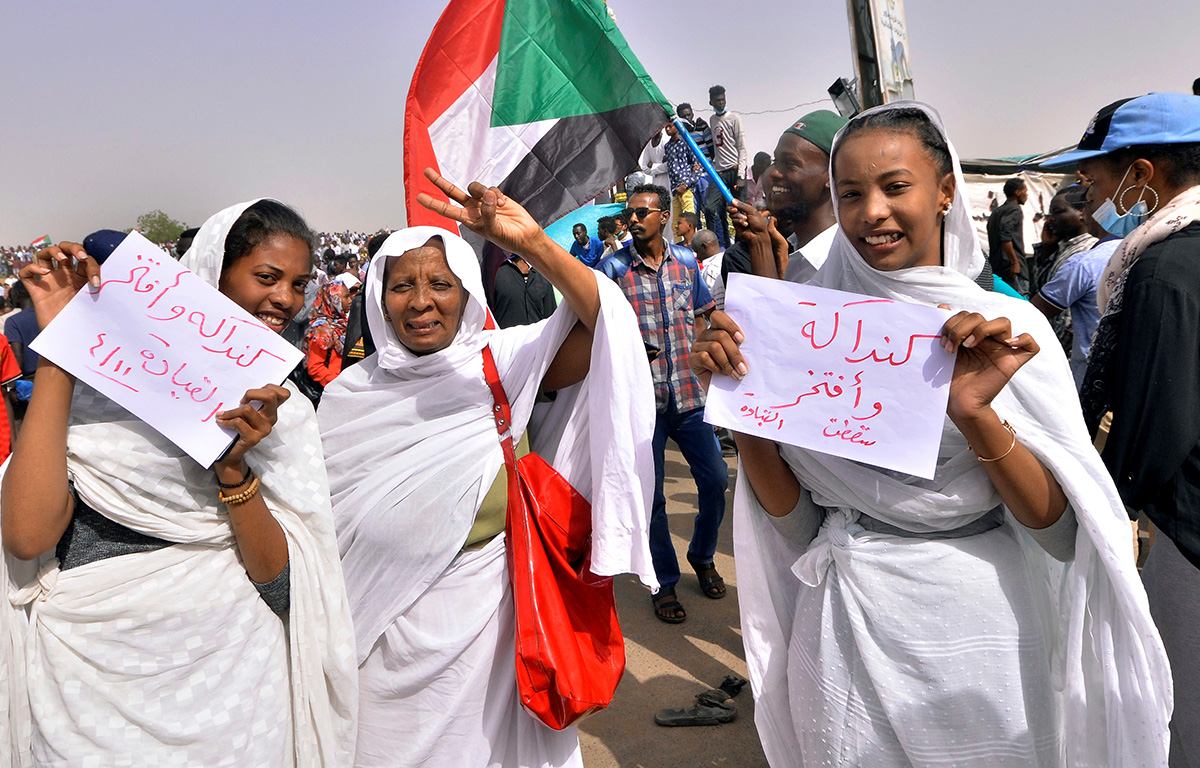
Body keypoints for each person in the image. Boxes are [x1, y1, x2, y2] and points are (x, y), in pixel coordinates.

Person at [691, 102, 1171, 767]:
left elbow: (1060, 533)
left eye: (895, 187)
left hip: (983, 642)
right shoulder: (807, 335)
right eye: (850, 194)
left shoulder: (1006, 328)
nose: (871, 213)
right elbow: (800, 528)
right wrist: (742, 403)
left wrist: (975, 414)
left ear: (945, 191)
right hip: (842, 637)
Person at [318, 168, 655, 768]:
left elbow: (605, 323)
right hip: (379, 635)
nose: (421, 302)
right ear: (377, 297)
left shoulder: (500, 361)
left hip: (492, 626)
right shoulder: (347, 396)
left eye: (440, 284)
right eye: (402, 286)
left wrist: (531, 244)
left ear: (469, 292)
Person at [0, 199, 357, 765]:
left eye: (298, 283)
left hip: (233, 694)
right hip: (85, 687)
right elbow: (25, 537)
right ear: (210, 274)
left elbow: (287, 589)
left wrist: (232, 467)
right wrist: (66, 344)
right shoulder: (90, 395)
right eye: (267, 277)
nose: (286, 299)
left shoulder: (282, 417)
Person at [1045, 92, 1200, 767]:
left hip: (1184, 528)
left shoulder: (1163, 269)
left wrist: (1111, 506)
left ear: (1143, 174)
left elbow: (1154, 428)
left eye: (1097, 178)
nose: (1090, 193)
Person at [595, 184, 728, 624]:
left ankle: (703, 555)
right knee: (651, 500)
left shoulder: (687, 262)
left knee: (715, 480)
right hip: (642, 402)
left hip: (690, 397)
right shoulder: (612, 268)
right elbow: (596, 327)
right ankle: (664, 582)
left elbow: (707, 312)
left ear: (664, 215)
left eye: (640, 212)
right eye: (628, 213)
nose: (631, 219)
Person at [722, 111, 848, 286]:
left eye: (790, 164)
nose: (772, 173)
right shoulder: (798, 256)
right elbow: (776, 310)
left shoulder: (850, 265)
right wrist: (759, 241)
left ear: (830, 175)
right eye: (775, 161)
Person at [707, 85, 748, 247]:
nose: (721, 103)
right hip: (720, 173)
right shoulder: (712, 120)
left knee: (740, 211)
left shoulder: (735, 118)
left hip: (735, 171)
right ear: (711, 102)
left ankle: (740, 245)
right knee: (711, 208)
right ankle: (715, 243)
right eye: (717, 101)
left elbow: (742, 147)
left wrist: (741, 175)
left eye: (723, 100)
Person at [306, 271, 360, 386]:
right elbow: (315, 368)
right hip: (330, 388)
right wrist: (339, 383)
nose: (350, 301)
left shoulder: (342, 324)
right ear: (334, 299)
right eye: (345, 297)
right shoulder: (321, 330)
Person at [490, 252, 557, 328]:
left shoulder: (542, 274)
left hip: (538, 338)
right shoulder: (494, 273)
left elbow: (551, 319)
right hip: (506, 337)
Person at [987, 176, 1029, 295]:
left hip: (997, 268)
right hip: (1012, 270)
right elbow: (1005, 236)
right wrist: (1014, 262)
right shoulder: (1014, 210)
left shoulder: (997, 212)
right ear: (1017, 192)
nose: (1027, 195)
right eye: (1025, 191)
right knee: (1021, 305)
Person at [692, 229, 725, 311]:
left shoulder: (710, 270)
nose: (697, 256)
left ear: (704, 246)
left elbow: (710, 303)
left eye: (697, 251)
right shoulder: (728, 260)